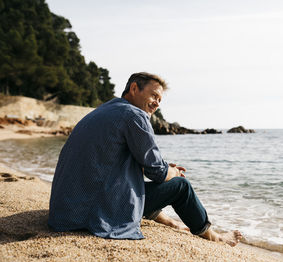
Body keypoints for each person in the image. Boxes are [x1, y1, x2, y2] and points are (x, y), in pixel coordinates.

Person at [48, 72, 242, 246]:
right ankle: (214, 237)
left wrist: (162, 168)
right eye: (154, 95)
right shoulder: (134, 115)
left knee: (133, 176)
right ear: (134, 88)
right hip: (94, 213)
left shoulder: (104, 110)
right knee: (182, 186)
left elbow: (124, 167)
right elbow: (157, 172)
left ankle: (171, 222)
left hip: (65, 211)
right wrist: (172, 172)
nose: (157, 103)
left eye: (160, 99)